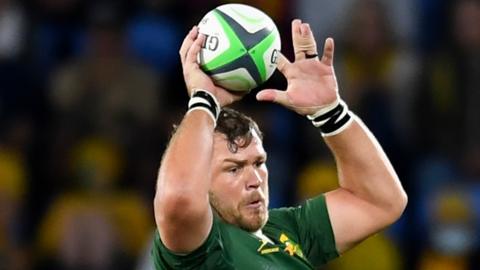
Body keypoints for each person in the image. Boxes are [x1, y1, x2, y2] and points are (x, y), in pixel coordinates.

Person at [152, 19, 408, 269]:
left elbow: (381, 201)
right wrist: (203, 100)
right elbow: (179, 198)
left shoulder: (289, 230)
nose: (254, 178)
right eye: (234, 168)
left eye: (258, 162)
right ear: (201, 181)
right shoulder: (197, 251)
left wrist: (330, 113)